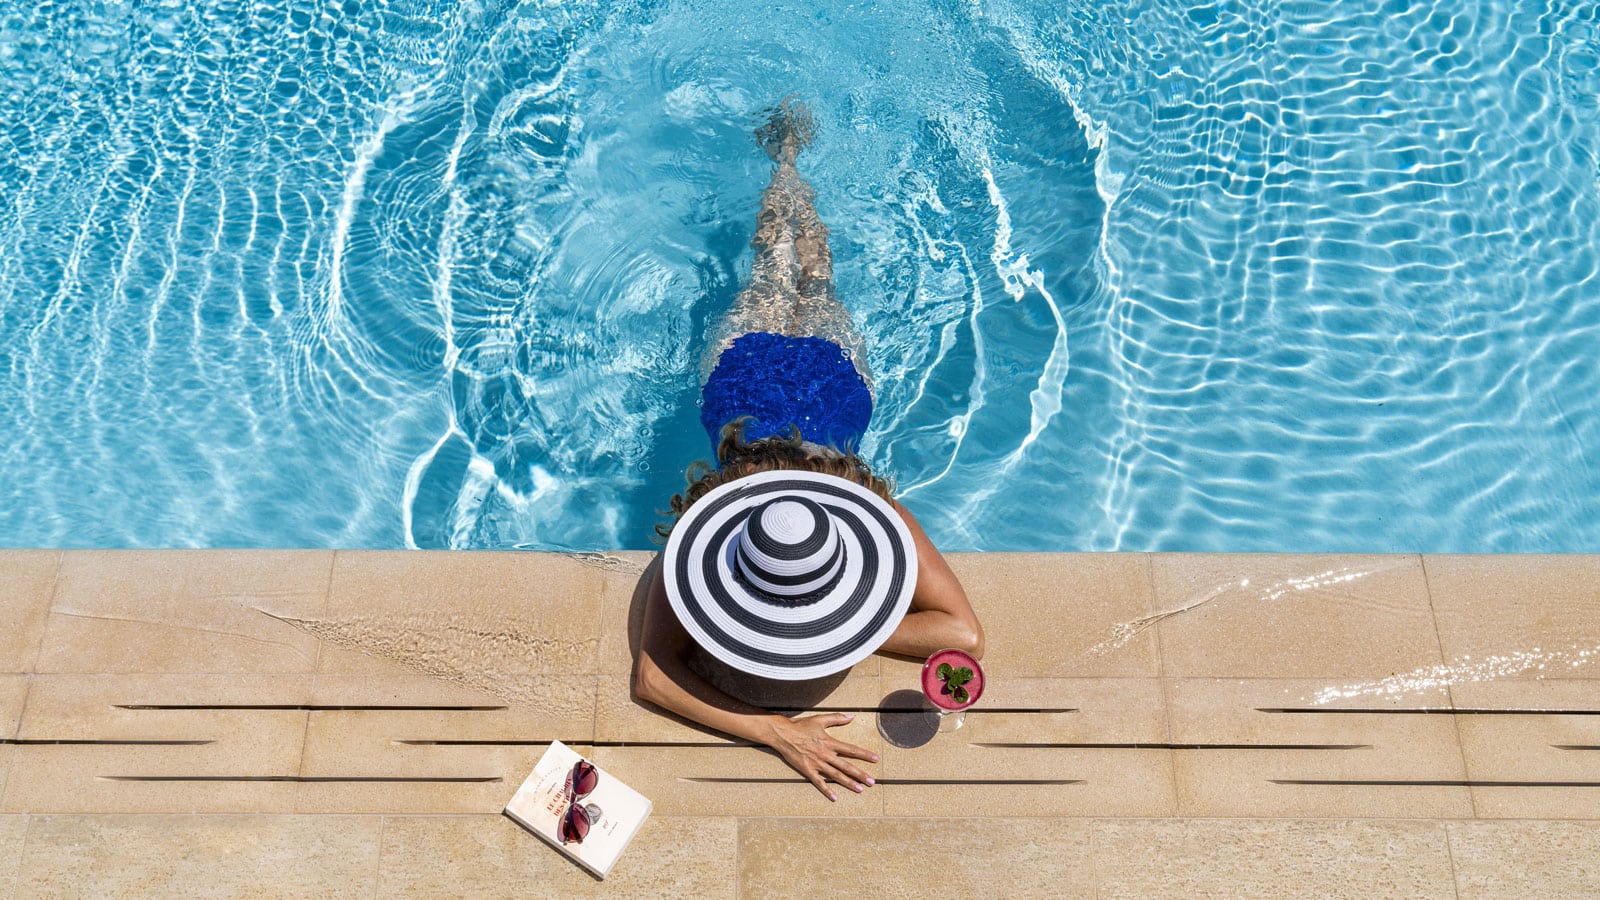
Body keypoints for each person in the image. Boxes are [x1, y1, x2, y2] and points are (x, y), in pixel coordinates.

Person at [633, 100, 984, 802]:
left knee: (789, 275)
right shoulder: (866, 517)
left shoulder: (719, 532)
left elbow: (966, 637)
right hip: (807, 385)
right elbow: (648, 676)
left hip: (766, 379)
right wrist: (783, 720)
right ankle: (788, 163)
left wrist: (845, 626)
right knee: (798, 276)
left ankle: (786, 163)